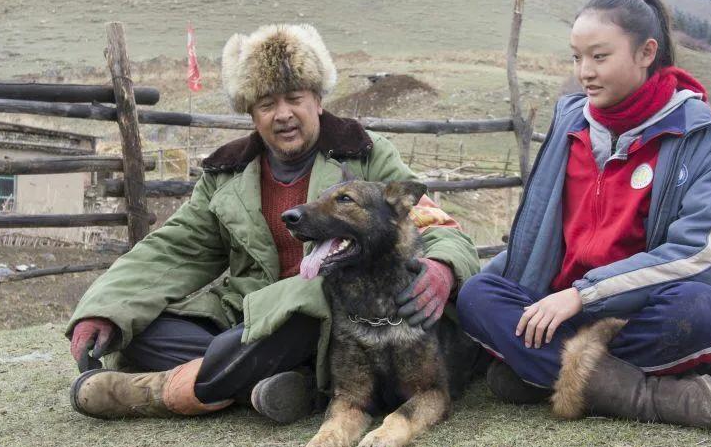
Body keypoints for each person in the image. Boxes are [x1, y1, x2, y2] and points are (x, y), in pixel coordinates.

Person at [68, 24, 479, 422]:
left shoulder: (365, 154)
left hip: (327, 315)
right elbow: (175, 249)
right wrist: (103, 308)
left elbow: (434, 222)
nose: (283, 115)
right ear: (252, 113)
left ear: (318, 100)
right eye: (266, 104)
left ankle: (160, 392)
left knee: (307, 301)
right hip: (249, 320)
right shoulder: (227, 174)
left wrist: (442, 267)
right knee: (142, 332)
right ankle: (283, 383)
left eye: (294, 98)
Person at [456, 0, 711, 431]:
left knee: (700, 310)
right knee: (478, 295)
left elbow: (698, 254)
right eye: (576, 58)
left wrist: (583, 295)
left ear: (646, 53)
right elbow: (537, 236)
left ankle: (539, 372)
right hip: (561, 307)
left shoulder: (708, 140)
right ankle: (650, 396)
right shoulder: (569, 124)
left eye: (600, 57)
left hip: (640, 312)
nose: (584, 72)